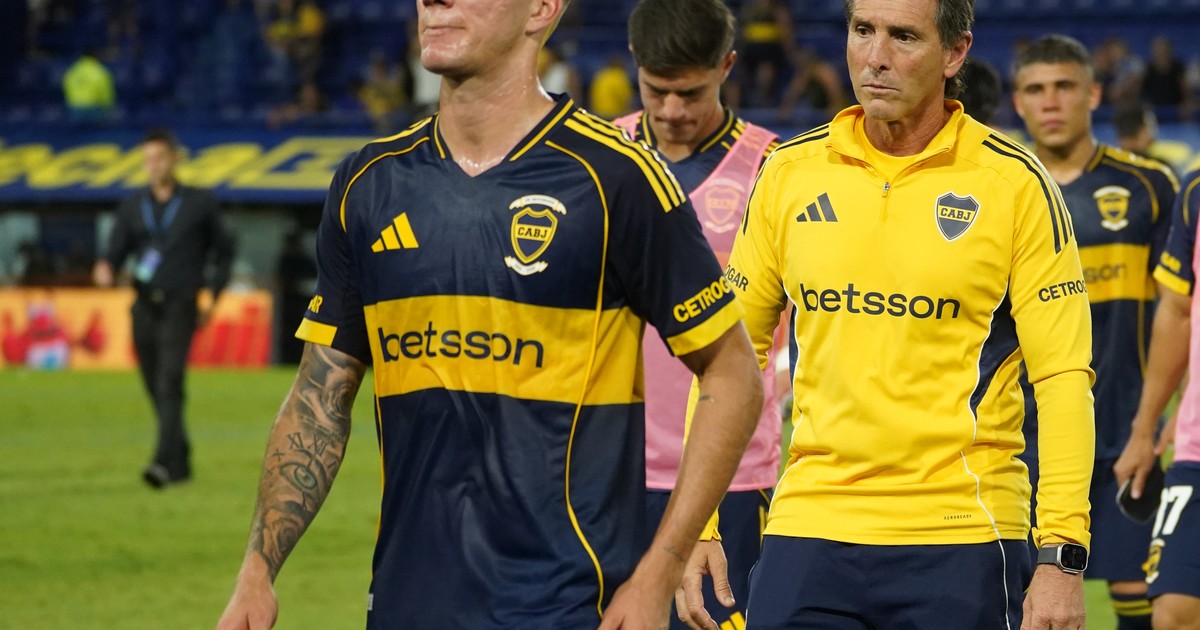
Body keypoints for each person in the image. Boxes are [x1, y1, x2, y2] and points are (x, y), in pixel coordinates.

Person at [214, 1, 764, 629]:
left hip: (564, 604)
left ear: (541, 9)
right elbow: (319, 396)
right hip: (406, 601)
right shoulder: (368, 184)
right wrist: (258, 567)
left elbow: (733, 374)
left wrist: (658, 573)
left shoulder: (617, 178)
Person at [693, 0, 1098, 628]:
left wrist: (1061, 554)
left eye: (904, 37)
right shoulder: (788, 172)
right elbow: (727, 361)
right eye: (863, 31)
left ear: (955, 53)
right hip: (811, 522)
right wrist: (697, 523)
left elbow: (1063, 377)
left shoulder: (1014, 184)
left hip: (962, 527)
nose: (876, 57)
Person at [616, 1, 784, 628]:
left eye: (690, 92)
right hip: (607, 472)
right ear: (634, 62)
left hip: (731, 477)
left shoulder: (773, 170)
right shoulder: (598, 160)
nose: (671, 111)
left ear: (727, 66)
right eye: (655, 90)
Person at [1012, 34, 1179, 630]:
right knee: (1023, 599)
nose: (1051, 101)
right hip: (1018, 443)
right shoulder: (1000, 187)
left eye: (1065, 86)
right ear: (1018, 102)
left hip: (1123, 433)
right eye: (1036, 89)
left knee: (1141, 595)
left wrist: (1152, 426)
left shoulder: (1149, 187)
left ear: (1093, 95)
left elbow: (1180, 313)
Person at [93, 128, 235, 488]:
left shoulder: (199, 203)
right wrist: (106, 267)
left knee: (170, 380)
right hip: (143, 306)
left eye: (159, 158)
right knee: (154, 385)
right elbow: (116, 252)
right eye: (147, 160)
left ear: (175, 158)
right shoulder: (132, 207)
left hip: (180, 304)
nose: (153, 166)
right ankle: (180, 456)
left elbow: (224, 251)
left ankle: (160, 463)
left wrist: (213, 295)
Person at [1115, 167, 1200, 630]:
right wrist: (1145, 428)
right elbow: (1179, 310)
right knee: (1173, 613)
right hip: (1196, 448)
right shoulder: (1196, 190)